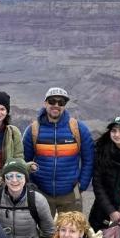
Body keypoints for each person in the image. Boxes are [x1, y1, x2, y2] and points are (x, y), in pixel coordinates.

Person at [23, 86, 94, 216]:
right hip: (41, 193)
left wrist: (81, 185)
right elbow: (24, 162)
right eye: (52, 101)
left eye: (61, 102)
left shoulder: (78, 129)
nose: (56, 105)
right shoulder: (33, 130)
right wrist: (31, 186)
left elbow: (89, 160)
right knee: (43, 233)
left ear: (65, 105)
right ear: (45, 103)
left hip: (70, 195)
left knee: (71, 233)